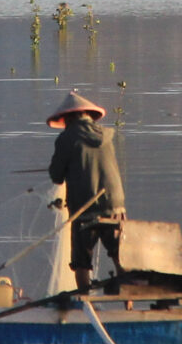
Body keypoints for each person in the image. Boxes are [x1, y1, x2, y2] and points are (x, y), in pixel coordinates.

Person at [45, 91, 125, 286]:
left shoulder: (66, 139)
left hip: (84, 207)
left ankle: (84, 302)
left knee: (81, 262)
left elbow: (56, 176)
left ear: (68, 118)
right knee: (121, 257)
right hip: (115, 206)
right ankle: (128, 306)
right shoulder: (106, 136)